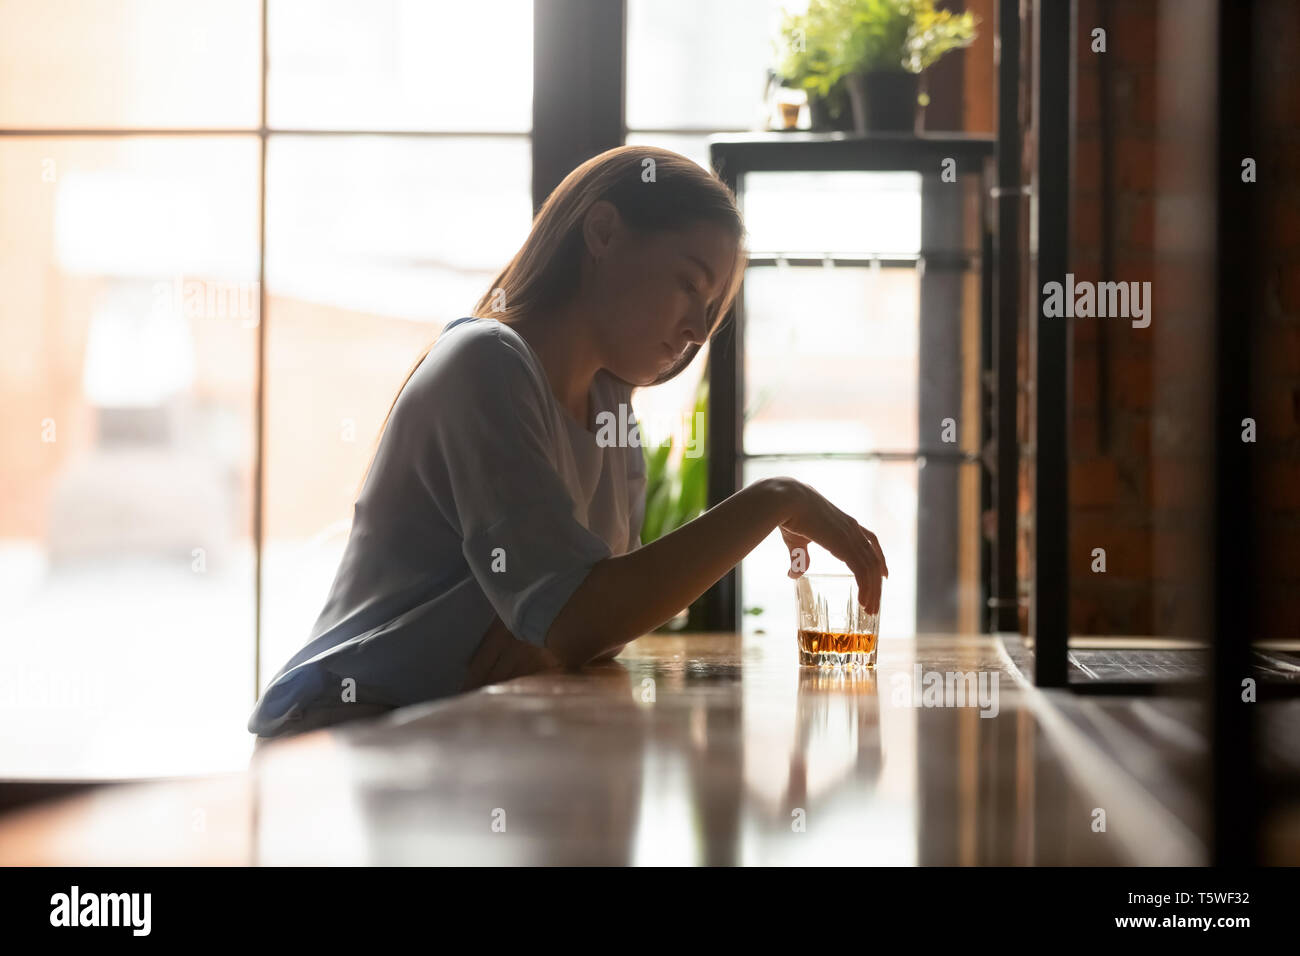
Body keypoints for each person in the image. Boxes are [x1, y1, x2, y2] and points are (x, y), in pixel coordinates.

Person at [247, 145, 888, 741]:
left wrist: (560, 630)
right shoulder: (487, 362)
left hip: (459, 733)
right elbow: (582, 616)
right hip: (346, 737)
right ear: (603, 232)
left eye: (711, 305)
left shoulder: (610, 408)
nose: (697, 328)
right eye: (689, 284)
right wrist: (776, 499)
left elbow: (594, 621)